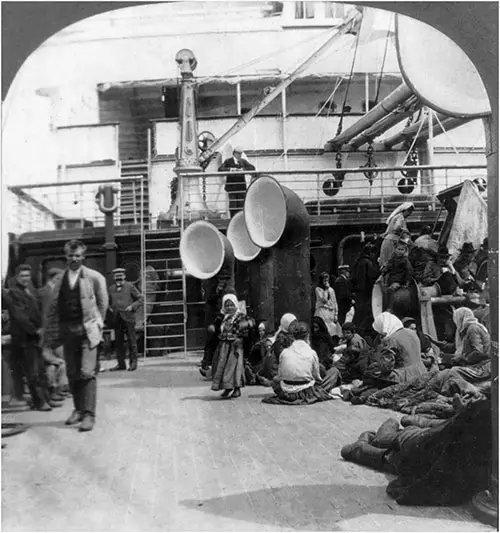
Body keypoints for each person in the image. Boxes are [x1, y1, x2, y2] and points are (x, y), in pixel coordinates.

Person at [340, 394, 491, 506]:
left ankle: (370, 439)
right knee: (387, 443)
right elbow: (442, 470)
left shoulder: (482, 414)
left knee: (390, 455)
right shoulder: (481, 418)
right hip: (418, 443)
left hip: (421, 447)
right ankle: (384, 429)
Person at [42, 239, 108, 432]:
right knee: (72, 373)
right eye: (71, 256)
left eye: (78, 255)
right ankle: (78, 410)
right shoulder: (61, 279)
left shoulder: (94, 277)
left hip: (88, 332)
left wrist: (97, 325)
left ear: (83, 256)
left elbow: (103, 303)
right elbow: (53, 306)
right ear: (66, 256)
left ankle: (89, 415)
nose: (74, 259)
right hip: (67, 332)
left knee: (87, 373)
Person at [5, 265, 52, 411]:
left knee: (40, 368)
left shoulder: (29, 291)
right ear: (16, 277)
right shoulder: (13, 293)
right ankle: (40, 401)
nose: (26, 279)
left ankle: (45, 399)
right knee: (33, 371)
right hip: (25, 337)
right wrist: (34, 330)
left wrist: (41, 329)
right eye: (22, 276)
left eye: (27, 276)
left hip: (34, 336)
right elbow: (20, 316)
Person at [262, 322, 334, 405]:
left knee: (275, 381)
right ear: (308, 336)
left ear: (293, 336)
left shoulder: (284, 352)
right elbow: (317, 378)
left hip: (286, 391)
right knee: (334, 372)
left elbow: (280, 376)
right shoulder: (312, 353)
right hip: (306, 392)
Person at [211, 294, 254, 398]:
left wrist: (246, 324)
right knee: (223, 366)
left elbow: (252, 322)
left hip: (236, 346)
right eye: (227, 305)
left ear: (236, 305)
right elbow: (215, 327)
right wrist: (213, 328)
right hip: (224, 346)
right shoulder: (222, 318)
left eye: (231, 305)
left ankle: (237, 388)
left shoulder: (241, 316)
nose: (229, 308)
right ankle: (227, 388)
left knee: (234, 367)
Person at [108, 267, 143, 372]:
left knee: (132, 341)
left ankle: (133, 363)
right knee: (118, 342)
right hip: (116, 317)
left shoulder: (130, 286)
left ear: (124, 276)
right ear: (114, 277)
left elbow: (141, 299)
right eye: (117, 276)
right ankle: (121, 364)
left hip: (128, 317)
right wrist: (110, 308)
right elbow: (109, 301)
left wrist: (132, 307)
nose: (119, 278)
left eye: (120, 276)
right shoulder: (111, 288)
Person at [218, 146, 256, 218]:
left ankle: (240, 219)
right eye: (238, 154)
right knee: (233, 205)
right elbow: (220, 169)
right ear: (234, 153)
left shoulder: (243, 161)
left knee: (241, 204)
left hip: (241, 187)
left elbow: (252, 168)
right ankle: (233, 219)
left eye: (240, 154)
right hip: (231, 187)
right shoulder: (228, 161)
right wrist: (230, 169)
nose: (240, 155)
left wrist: (243, 169)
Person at [352, 243, 379, 339]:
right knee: (366, 315)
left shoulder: (358, 262)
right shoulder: (368, 263)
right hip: (367, 294)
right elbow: (372, 277)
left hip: (359, 293)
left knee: (359, 315)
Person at [379, 201, 414, 268]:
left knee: (386, 264)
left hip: (388, 241)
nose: (410, 214)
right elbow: (397, 227)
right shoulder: (400, 217)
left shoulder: (397, 217)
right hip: (392, 242)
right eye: (409, 211)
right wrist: (405, 231)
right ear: (405, 210)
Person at [380, 241, 413, 310]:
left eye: (402, 250)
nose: (400, 251)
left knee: (391, 290)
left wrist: (407, 282)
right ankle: (384, 307)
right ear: (395, 249)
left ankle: (390, 308)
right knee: (384, 291)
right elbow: (387, 267)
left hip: (399, 281)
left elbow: (409, 271)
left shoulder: (405, 260)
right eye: (398, 249)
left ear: (405, 251)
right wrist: (383, 273)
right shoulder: (392, 258)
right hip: (391, 279)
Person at [314, 272, 341, 338]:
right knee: (323, 328)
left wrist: (336, 314)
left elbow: (334, 302)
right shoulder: (318, 289)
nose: (326, 282)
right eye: (325, 280)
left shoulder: (331, 290)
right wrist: (326, 290)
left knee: (332, 330)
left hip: (330, 312)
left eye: (327, 280)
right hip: (322, 311)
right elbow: (324, 300)